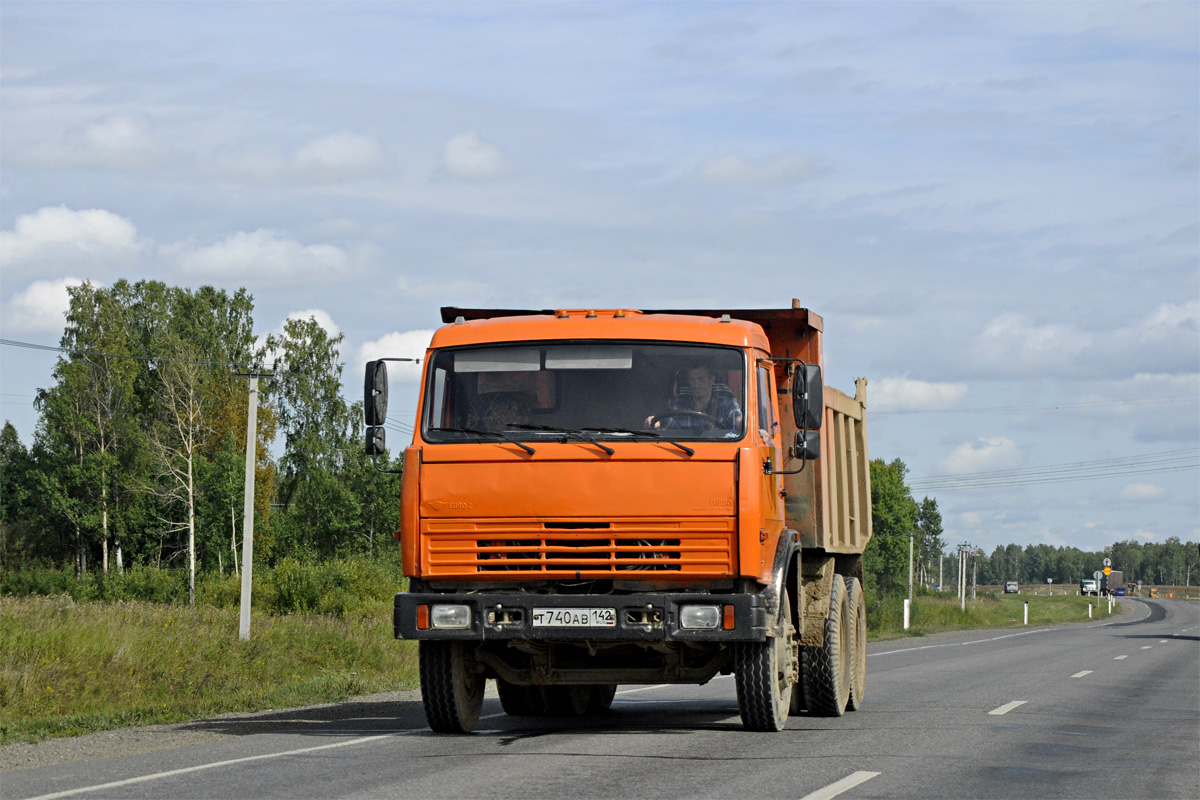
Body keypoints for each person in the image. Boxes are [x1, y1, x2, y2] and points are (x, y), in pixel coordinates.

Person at [645, 362, 743, 432]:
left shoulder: (727, 405)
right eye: (692, 380)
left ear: (712, 380)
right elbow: (664, 423)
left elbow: (737, 419)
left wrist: (742, 423)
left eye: (701, 379)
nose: (696, 384)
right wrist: (654, 423)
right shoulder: (678, 407)